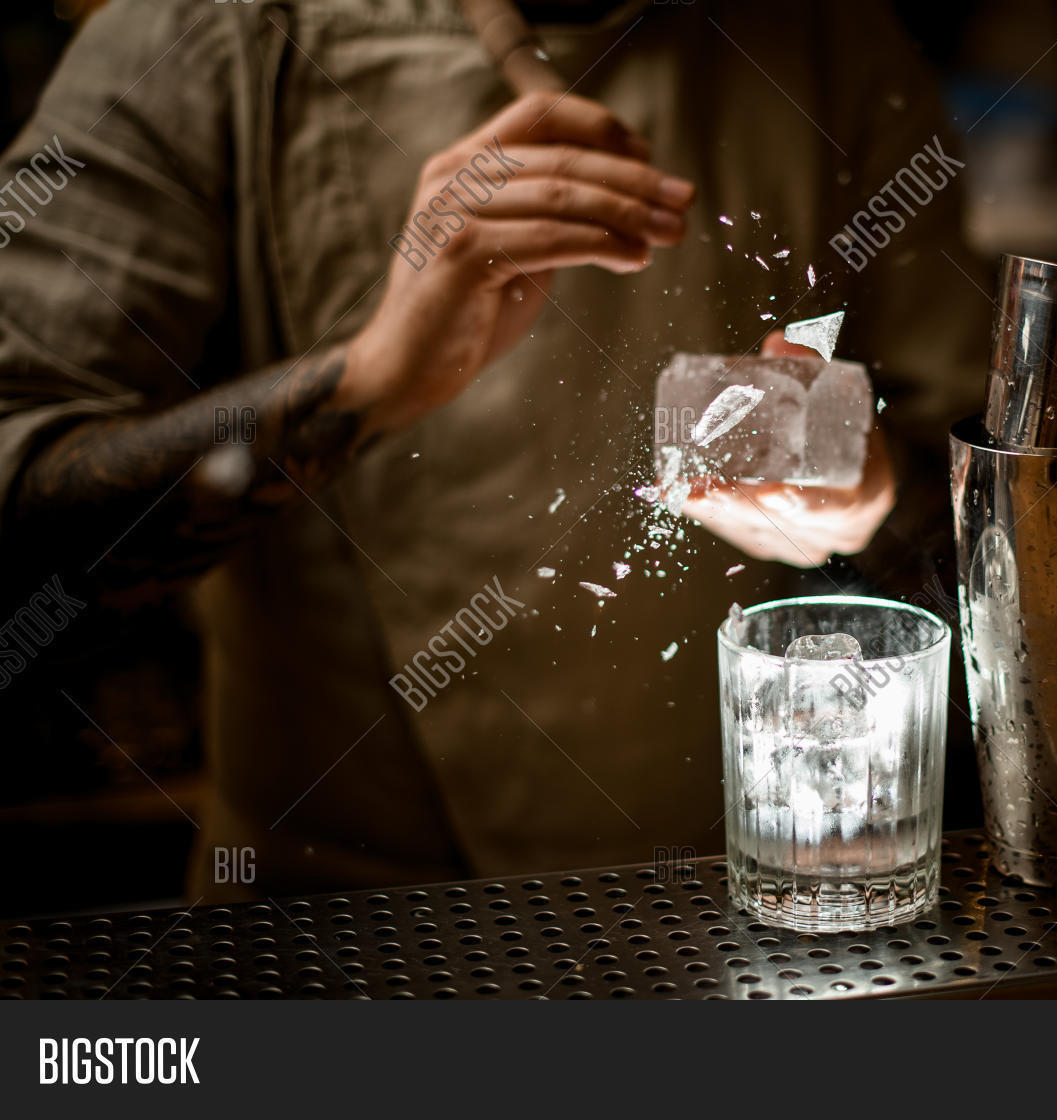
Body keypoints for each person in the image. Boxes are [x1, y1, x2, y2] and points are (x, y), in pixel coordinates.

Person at [0, 0, 987, 899]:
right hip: (325, 924)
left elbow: (988, 539)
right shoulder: (197, 34)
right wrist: (369, 380)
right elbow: (19, 540)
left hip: (716, 905)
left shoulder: (833, 39)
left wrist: (869, 496)